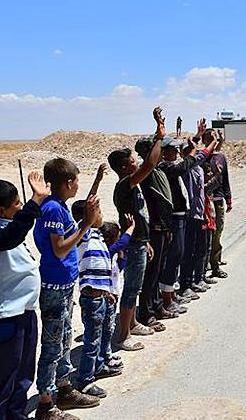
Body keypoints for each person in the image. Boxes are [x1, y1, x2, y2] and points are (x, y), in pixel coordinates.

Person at [0, 172, 48, 420]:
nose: (20, 206)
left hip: (23, 313)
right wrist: (34, 202)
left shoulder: (7, 226)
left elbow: (15, 233)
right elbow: (9, 238)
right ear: (0, 210)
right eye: (17, 203)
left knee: (23, 376)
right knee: (2, 379)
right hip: (2, 318)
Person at [33, 159, 101, 419]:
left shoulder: (58, 206)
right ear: (69, 182)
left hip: (64, 282)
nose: (78, 185)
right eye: (77, 181)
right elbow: (60, 249)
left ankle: (64, 388)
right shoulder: (53, 209)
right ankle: (46, 404)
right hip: (54, 284)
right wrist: (85, 224)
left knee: (63, 339)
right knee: (52, 344)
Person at [107, 107, 165, 351]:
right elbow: (150, 163)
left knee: (136, 285)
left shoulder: (129, 183)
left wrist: (147, 240)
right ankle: (123, 336)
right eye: (133, 161)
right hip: (133, 243)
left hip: (140, 240)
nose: (137, 163)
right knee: (131, 288)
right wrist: (159, 136)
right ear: (124, 167)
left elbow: (139, 216)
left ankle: (132, 324)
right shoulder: (125, 184)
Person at [71, 198, 129, 399]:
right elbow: (86, 219)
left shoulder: (97, 236)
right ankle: (85, 381)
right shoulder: (84, 235)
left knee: (102, 335)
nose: (101, 215)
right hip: (92, 299)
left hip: (101, 297)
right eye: (97, 211)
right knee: (92, 341)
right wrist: (96, 183)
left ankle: (99, 366)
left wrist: (106, 293)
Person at [157, 120, 217, 313]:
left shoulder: (174, 166)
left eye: (177, 150)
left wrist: (197, 137)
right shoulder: (169, 168)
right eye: (172, 150)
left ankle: (174, 292)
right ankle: (172, 294)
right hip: (178, 218)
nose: (175, 153)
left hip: (185, 216)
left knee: (183, 254)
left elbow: (193, 154)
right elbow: (193, 158)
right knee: (177, 257)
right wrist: (209, 143)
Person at [133, 137, 175, 326]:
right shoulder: (146, 172)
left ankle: (157, 306)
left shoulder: (158, 172)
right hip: (154, 229)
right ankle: (146, 312)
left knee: (158, 270)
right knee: (150, 274)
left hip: (163, 227)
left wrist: (168, 226)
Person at [98, 221, 131, 370]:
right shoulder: (107, 251)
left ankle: (106, 355)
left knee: (109, 329)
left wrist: (122, 255)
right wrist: (131, 228)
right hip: (107, 296)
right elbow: (123, 242)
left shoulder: (113, 256)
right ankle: (103, 358)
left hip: (113, 295)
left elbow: (120, 267)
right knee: (105, 330)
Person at [203, 130, 232, 279]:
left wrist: (228, 198)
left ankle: (215, 262)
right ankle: (208, 267)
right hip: (205, 202)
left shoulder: (221, 157)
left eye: (214, 137)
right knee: (207, 236)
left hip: (218, 200)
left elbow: (225, 179)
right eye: (209, 138)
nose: (213, 140)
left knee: (218, 232)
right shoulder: (201, 157)